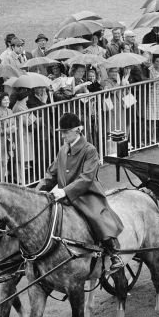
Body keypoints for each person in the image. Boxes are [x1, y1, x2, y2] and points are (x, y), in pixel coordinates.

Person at [38, 112, 124, 273]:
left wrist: (64, 192)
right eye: (61, 132)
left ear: (78, 130)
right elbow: (51, 175)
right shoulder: (63, 150)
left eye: (66, 132)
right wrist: (36, 193)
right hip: (65, 194)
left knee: (97, 217)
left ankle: (114, 252)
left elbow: (86, 178)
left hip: (87, 194)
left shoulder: (89, 150)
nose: (63, 135)